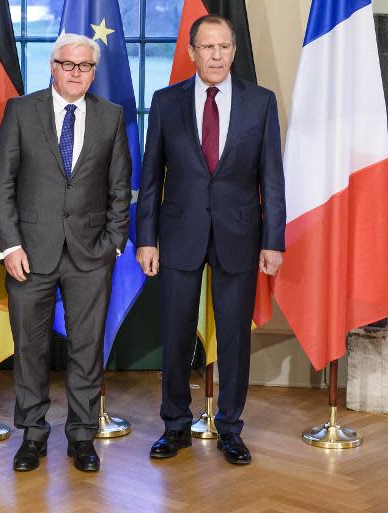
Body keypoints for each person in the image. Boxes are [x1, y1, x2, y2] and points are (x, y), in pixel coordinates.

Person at [136, 15, 285, 465]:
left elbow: (272, 178)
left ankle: (231, 429)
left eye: (224, 47)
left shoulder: (261, 102)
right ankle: (175, 426)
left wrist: (273, 240)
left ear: (234, 51)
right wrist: (146, 239)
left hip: (240, 235)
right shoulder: (166, 102)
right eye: (207, 47)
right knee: (176, 333)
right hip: (179, 234)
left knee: (235, 338)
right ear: (192, 51)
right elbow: (150, 178)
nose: (216, 55)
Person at [0, 33, 131, 473]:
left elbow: (120, 189)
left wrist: (113, 243)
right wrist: (10, 245)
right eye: (67, 64)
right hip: (29, 254)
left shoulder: (111, 117)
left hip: (91, 256)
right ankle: (32, 435)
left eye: (84, 66)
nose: (75, 73)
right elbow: (2, 185)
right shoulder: (21, 111)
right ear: (52, 66)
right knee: (30, 348)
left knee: (86, 348)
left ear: (93, 71)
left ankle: (82, 435)